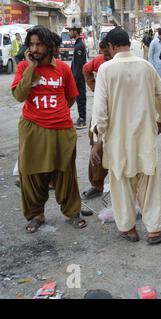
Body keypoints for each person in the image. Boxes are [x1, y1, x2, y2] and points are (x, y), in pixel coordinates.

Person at [91, 27, 161, 244]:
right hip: (144, 137)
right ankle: (155, 231)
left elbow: (100, 112)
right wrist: (160, 119)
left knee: (121, 184)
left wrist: (98, 140)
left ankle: (129, 229)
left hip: (117, 140)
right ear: (128, 42)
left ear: (111, 46)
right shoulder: (146, 67)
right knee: (149, 186)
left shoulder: (105, 70)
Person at [10, 26, 86, 233]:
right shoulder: (24, 66)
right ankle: (36, 215)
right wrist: (31, 68)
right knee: (32, 173)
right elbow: (20, 95)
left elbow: (71, 97)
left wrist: (55, 113)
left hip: (61, 128)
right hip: (33, 128)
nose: (34, 48)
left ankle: (72, 213)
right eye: (31, 44)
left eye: (39, 44)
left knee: (65, 172)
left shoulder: (62, 68)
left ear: (49, 46)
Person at [80, 39, 112, 201]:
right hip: (100, 110)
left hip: (119, 111)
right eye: (102, 53)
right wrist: (93, 86)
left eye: (107, 52)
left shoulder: (123, 63)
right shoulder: (99, 61)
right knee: (96, 147)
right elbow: (86, 69)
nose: (104, 56)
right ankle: (97, 185)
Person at [68, 23, 87, 129]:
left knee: (80, 98)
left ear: (75, 31)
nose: (69, 32)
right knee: (79, 97)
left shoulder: (79, 45)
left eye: (70, 30)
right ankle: (81, 117)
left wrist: (74, 79)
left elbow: (79, 66)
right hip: (77, 77)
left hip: (79, 77)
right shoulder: (78, 44)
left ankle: (82, 119)